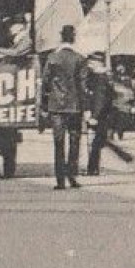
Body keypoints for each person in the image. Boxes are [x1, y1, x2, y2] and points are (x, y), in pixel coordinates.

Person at [40, 24, 87, 190]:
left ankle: (60, 180)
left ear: (61, 37)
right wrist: (85, 107)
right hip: (74, 106)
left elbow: (45, 82)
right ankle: (72, 176)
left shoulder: (53, 58)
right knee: (75, 141)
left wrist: (44, 104)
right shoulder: (80, 59)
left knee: (58, 143)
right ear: (73, 37)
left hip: (57, 107)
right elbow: (83, 85)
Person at [83, 54, 116, 176]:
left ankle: (92, 169)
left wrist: (94, 116)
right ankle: (93, 168)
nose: (89, 65)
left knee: (94, 142)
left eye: (91, 63)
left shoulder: (100, 78)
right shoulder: (104, 77)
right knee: (96, 141)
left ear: (97, 63)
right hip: (103, 114)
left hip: (99, 115)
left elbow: (100, 99)